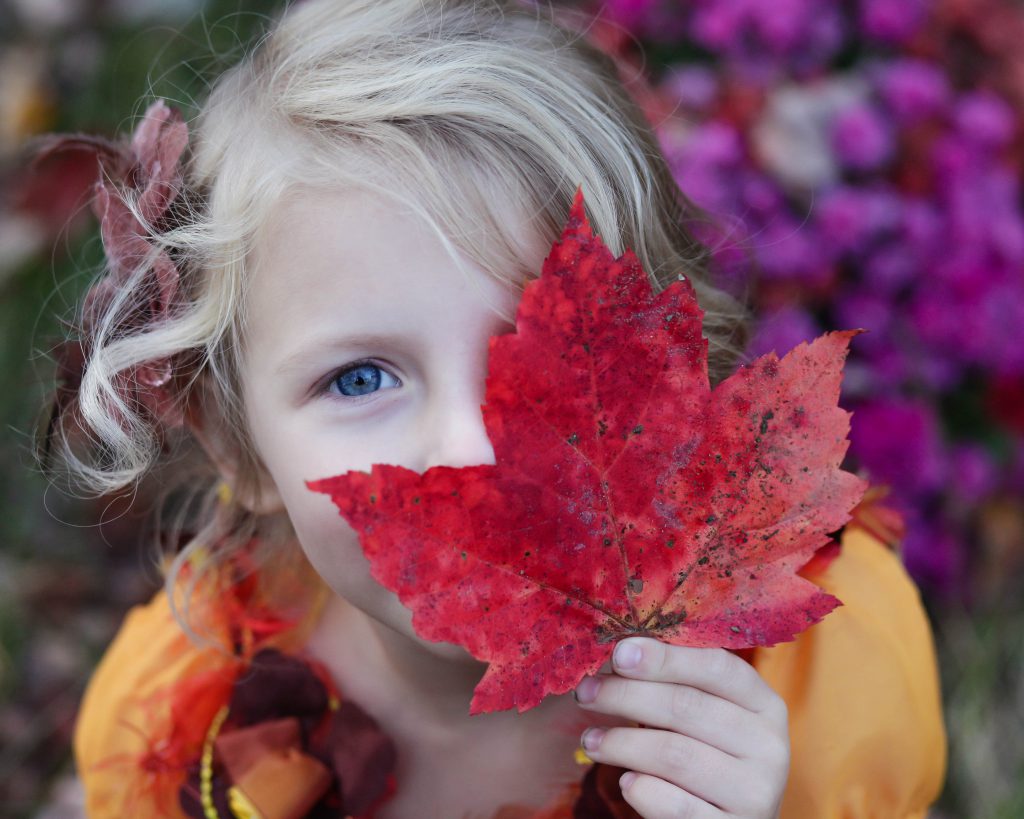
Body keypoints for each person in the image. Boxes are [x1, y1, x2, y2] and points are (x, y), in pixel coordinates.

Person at [35, 0, 947, 816]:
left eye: (544, 353)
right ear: (237, 446)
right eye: (359, 379)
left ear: (675, 377)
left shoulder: (815, 690)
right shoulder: (189, 726)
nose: (475, 446)